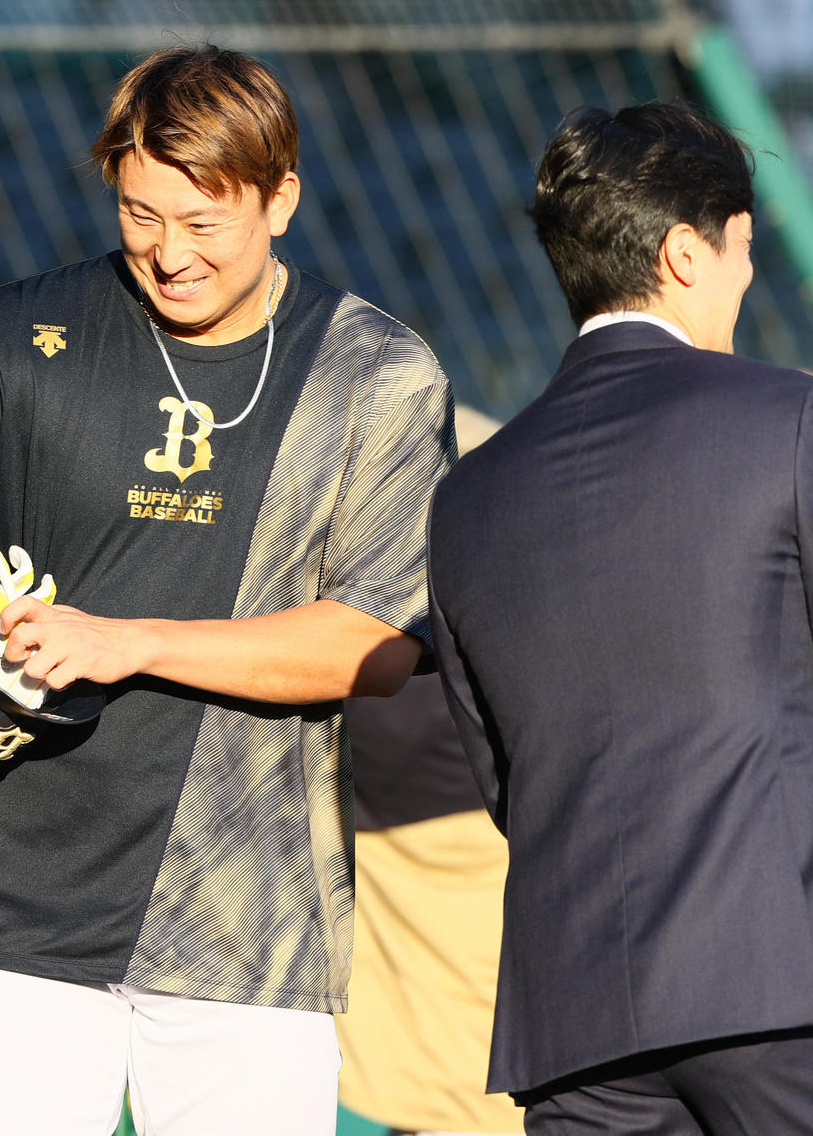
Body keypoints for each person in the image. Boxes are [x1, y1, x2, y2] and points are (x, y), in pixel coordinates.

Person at [0, 44, 454, 1136]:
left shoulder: (377, 372)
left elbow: (378, 643)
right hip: (7, 913)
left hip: (251, 923)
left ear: (282, 199)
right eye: (142, 214)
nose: (169, 253)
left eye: (206, 223)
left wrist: (129, 641)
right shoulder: (10, 333)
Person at [426, 103, 813, 1135]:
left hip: (576, 1012)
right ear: (682, 253)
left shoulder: (468, 494)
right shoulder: (795, 416)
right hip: (795, 970)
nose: (747, 278)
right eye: (742, 249)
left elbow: (501, 768)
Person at [336, 404, 519, 1136]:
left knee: (421, 1050)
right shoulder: (489, 568)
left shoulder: (339, 573)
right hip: (464, 818)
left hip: (387, 813)